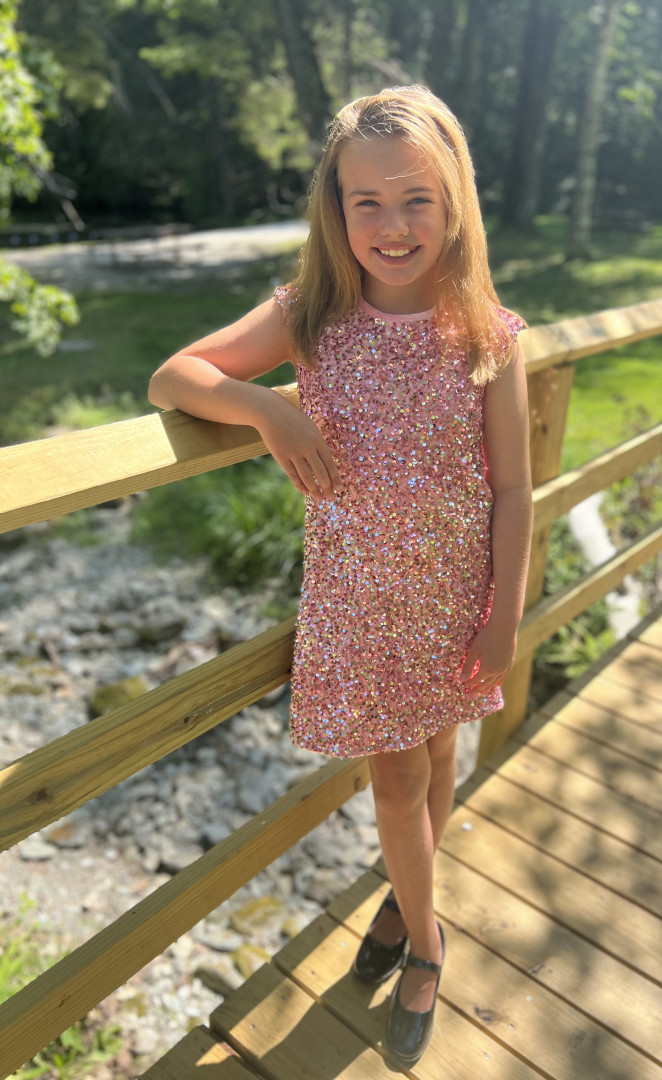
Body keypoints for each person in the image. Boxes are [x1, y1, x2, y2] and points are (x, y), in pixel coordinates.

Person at [148, 84, 532, 1065]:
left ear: (454, 203)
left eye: (416, 199)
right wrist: (268, 407)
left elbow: (513, 488)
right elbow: (173, 376)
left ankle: (407, 905)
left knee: (438, 755)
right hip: (360, 607)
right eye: (369, 202)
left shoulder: (485, 332)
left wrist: (503, 614)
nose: (393, 225)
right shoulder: (311, 315)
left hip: (454, 600)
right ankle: (429, 943)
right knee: (398, 781)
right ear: (336, 208)